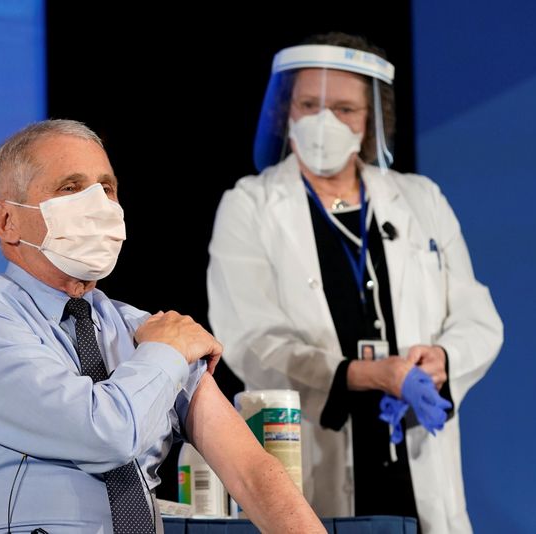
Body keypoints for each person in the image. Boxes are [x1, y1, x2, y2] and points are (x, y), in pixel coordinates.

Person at [0, 119, 325, 534]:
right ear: (6, 221)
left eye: (107, 188)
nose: (98, 205)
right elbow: (104, 435)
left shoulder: (141, 328)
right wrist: (166, 353)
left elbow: (252, 471)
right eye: (70, 188)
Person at [207, 32, 503, 534]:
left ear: (371, 122)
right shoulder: (250, 205)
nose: (325, 123)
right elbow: (249, 340)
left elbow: (477, 316)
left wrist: (442, 361)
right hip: (316, 451)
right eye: (309, 104)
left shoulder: (419, 198)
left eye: (344, 109)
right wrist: (362, 374)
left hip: (415, 461)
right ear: (285, 112)